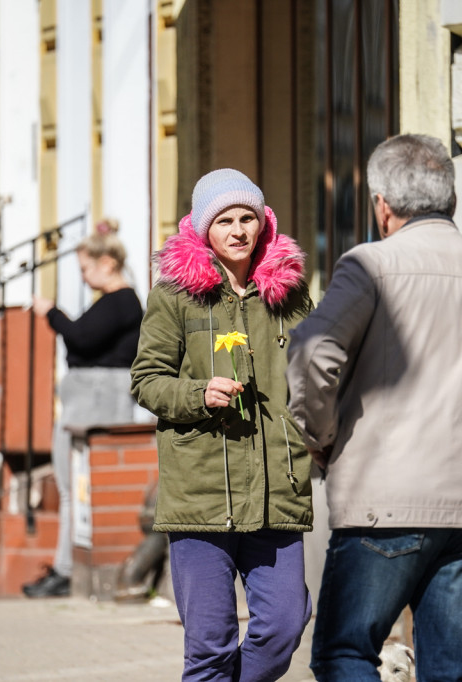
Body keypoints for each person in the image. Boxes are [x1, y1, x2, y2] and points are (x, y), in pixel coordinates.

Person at [285, 134, 462, 682]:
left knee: (342, 655)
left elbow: (313, 352)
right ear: (450, 199)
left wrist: (320, 433)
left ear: (382, 204)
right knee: (448, 672)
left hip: (382, 503)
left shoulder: (368, 267)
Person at [131, 169, 314, 681]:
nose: (238, 230)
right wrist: (197, 393)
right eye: (225, 220)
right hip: (201, 495)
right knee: (209, 645)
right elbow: (146, 380)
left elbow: (319, 372)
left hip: (278, 490)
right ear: (203, 229)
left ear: (263, 223)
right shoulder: (176, 295)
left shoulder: (290, 296)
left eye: (247, 218)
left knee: (283, 625)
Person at [22, 220, 144, 598]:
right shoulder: (113, 302)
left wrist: (51, 313)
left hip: (97, 400)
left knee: (77, 485)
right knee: (70, 484)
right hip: (87, 398)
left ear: (107, 263)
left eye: (86, 268)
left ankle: (65, 568)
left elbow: (81, 337)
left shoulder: (121, 300)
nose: (83, 276)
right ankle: (64, 565)